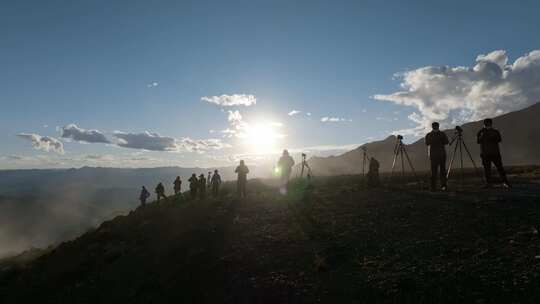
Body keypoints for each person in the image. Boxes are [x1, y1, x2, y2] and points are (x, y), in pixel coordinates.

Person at [477, 118, 510, 188]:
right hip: (489, 153)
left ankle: (503, 182)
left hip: (491, 153)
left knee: (496, 169)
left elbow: (499, 139)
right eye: (487, 123)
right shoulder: (485, 132)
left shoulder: (492, 132)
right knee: (490, 169)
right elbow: (478, 141)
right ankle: (499, 183)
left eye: (487, 123)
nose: (487, 125)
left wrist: (485, 135)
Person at [425, 122, 449, 191]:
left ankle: (442, 186)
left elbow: (446, 142)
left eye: (436, 126)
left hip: (440, 155)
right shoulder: (430, 135)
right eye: (435, 126)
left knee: (441, 171)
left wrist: (436, 140)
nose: (435, 127)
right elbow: (427, 143)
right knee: (434, 172)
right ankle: (434, 187)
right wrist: (438, 139)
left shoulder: (439, 134)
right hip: (435, 155)